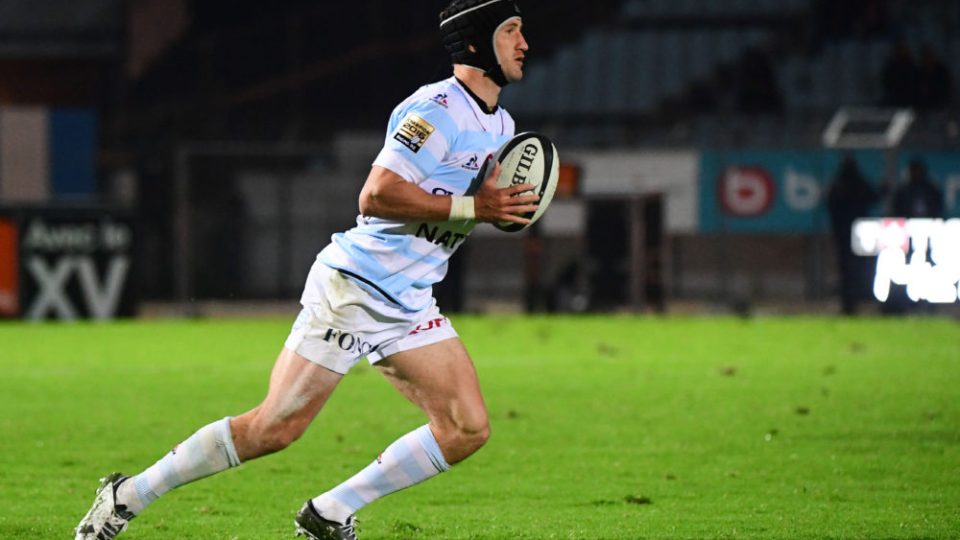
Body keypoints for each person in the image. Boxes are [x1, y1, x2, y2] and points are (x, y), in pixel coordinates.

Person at [75, 1, 534, 538]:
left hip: (409, 297)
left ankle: (330, 512)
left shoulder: (501, 123)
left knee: (466, 427)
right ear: (476, 43)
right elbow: (377, 194)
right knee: (275, 427)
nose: (524, 43)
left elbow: (452, 202)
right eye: (511, 31)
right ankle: (125, 496)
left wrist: (491, 207)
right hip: (357, 287)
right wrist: (475, 209)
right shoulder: (436, 109)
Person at [826, 153, 884, 315]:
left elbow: (831, 206)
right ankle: (852, 301)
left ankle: (852, 301)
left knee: (850, 269)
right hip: (853, 234)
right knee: (855, 268)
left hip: (849, 235)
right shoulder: (853, 184)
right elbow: (872, 197)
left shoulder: (841, 185)